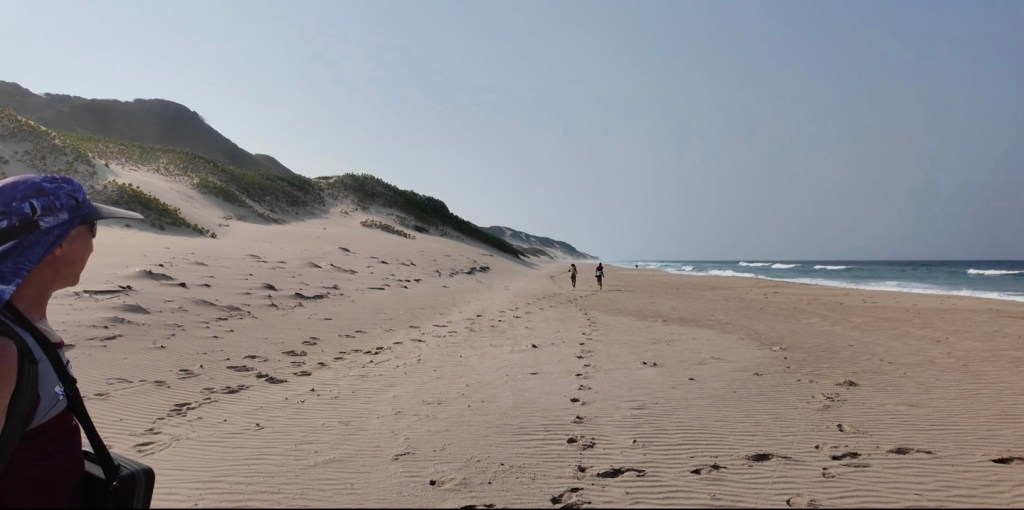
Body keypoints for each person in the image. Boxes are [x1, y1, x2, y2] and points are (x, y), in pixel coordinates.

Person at [0, 174, 144, 507]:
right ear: (58, 241)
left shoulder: (26, 324)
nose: (94, 244)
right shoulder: (5, 348)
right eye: (92, 228)